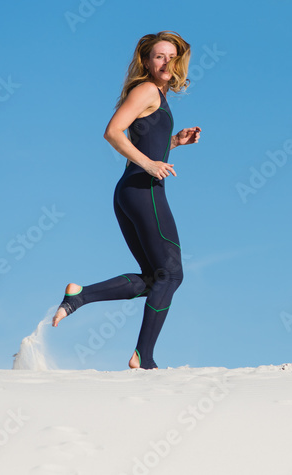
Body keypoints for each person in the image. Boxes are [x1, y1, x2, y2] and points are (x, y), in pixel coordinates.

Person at [52, 31, 201, 370]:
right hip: (141, 189)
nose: (166, 62)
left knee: (155, 278)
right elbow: (113, 130)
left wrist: (174, 142)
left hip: (132, 191)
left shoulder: (158, 96)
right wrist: (149, 164)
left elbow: (146, 142)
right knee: (172, 275)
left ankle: (80, 295)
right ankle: (143, 359)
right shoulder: (147, 90)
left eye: (171, 57)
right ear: (147, 62)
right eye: (159, 56)